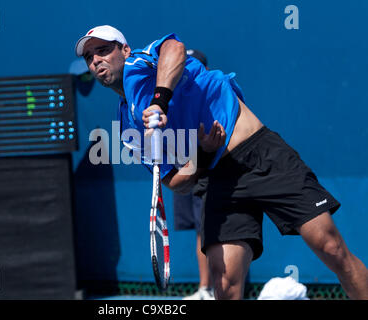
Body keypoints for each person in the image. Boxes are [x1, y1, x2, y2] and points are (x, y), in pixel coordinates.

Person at [74, 25, 368, 299]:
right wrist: (201, 156)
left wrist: (160, 101)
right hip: (218, 178)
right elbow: (174, 182)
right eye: (89, 57)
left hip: (259, 153)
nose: (96, 60)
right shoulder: (128, 125)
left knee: (331, 248)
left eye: (103, 50)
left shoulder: (143, 62)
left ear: (124, 50)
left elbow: (175, 47)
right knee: (224, 286)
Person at [172, 49, 213, 300]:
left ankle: (213, 288)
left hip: (208, 172)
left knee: (210, 230)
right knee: (200, 231)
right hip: (184, 169)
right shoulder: (174, 99)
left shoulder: (211, 95)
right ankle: (204, 288)